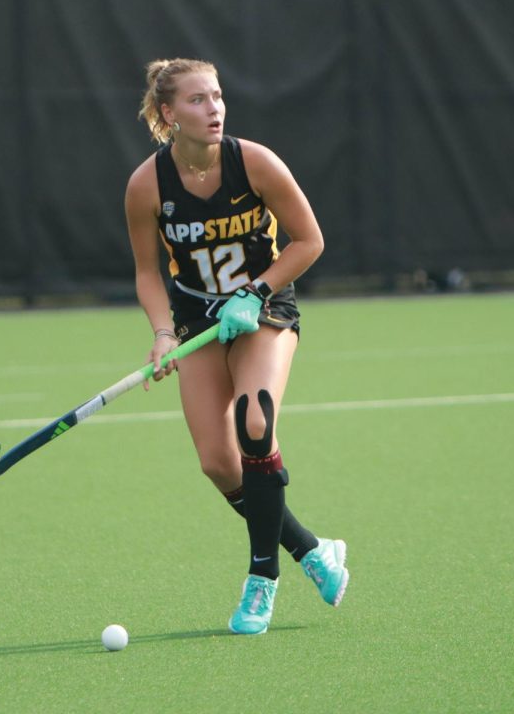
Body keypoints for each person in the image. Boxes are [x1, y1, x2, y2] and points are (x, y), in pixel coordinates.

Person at [125, 58, 349, 635]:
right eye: (198, 100)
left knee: (256, 423)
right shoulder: (147, 184)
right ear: (169, 113)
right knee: (217, 462)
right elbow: (148, 275)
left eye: (218, 96)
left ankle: (262, 580)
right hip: (196, 319)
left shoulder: (254, 162)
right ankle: (310, 549)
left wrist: (256, 291)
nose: (215, 108)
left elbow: (309, 240)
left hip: (262, 312)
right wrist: (162, 334)